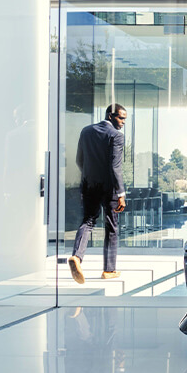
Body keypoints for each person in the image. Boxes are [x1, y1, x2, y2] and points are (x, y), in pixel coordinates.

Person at [70, 104, 127, 284]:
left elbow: (79, 160)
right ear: (110, 116)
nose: (123, 122)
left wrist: (90, 176)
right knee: (112, 226)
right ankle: (109, 270)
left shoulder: (86, 131)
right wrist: (121, 193)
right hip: (109, 188)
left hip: (89, 184)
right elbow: (115, 167)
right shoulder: (116, 136)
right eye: (121, 118)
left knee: (88, 221)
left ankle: (76, 257)